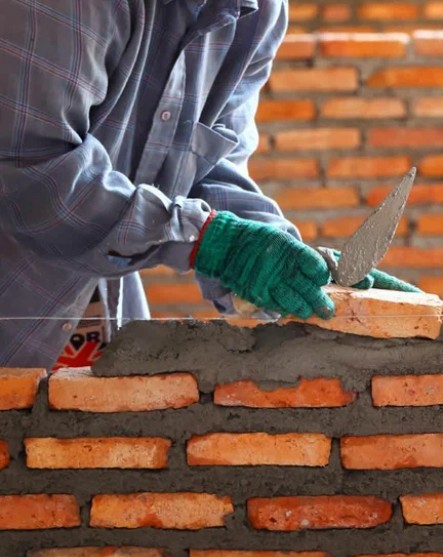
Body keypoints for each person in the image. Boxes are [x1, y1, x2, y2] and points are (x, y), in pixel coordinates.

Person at [0, 0, 412, 370]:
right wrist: (213, 242)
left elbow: (208, 165)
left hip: (89, 315)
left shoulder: (257, 13)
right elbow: (32, 174)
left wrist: (285, 260)